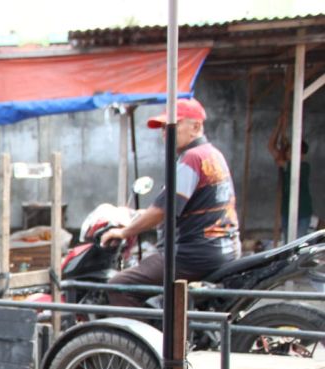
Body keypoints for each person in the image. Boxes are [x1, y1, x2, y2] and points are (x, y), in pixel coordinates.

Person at [101, 98, 240, 309]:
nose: (165, 133)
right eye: (164, 128)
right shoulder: (212, 155)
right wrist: (138, 215)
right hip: (223, 248)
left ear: (195, 127)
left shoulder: (192, 159)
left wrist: (123, 232)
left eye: (171, 126)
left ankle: (151, 340)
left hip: (192, 254)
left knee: (118, 285)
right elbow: (189, 204)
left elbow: (161, 211)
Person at [268, 127, 313, 240]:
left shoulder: (303, 167)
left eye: (291, 151)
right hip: (287, 211)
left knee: (297, 244)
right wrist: (279, 124)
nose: (289, 153)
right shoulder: (287, 164)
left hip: (302, 212)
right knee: (288, 243)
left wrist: (283, 150)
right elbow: (271, 146)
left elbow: (278, 159)